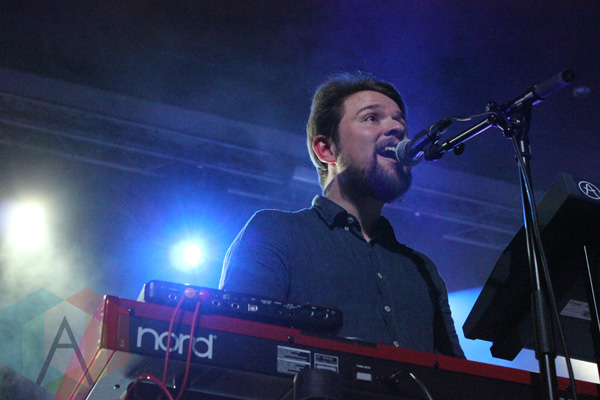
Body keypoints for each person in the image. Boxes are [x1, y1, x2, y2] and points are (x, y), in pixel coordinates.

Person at [219, 72, 465, 358]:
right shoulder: (275, 232)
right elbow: (235, 350)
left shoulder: (421, 268)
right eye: (372, 118)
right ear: (326, 149)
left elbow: (456, 375)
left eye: (400, 121)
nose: (397, 128)